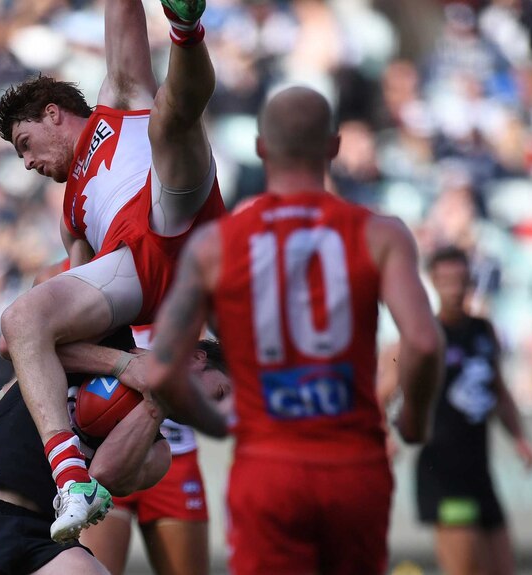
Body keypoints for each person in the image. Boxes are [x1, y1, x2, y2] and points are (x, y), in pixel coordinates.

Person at [145, 86, 444, 575]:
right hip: (355, 464)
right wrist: (415, 419)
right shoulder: (380, 233)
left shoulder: (217, 246)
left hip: (268, 465)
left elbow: (160, 370)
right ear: (333, 146)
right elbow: (424, 341)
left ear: (262, 147)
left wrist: (223, 424)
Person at [0, 0, 225, 541]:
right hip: (138, 270)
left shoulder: (114, 107)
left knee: (168, 117)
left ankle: (185, 26)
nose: (27, 164)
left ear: (53, 112)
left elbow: (121, 13)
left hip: (179, 214)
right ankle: (70, 477)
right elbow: (62, 335)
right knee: (23, 318)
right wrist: (1, 399)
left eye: (25, 145)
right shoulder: (73, 219)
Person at [0, 335, 229, 575]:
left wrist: (159, 400)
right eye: (222, 394)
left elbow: (103, 474)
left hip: (44, 534)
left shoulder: (158, 452)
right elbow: (21, 340)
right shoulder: (106, 340)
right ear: (196, 357)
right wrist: (3, 399)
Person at [379, 245, 532, 575]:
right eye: (445, 281)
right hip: (443, 472)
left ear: (470, 281)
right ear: (433, 284)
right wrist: (384, 436)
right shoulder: (420, 338)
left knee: (502, 568)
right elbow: (381, 393)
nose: (454, 289)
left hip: (479, 470)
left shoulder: (484, 331)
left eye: (459, 280)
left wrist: (520, 437)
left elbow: (498, 391)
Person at [80, 330, 231, 575]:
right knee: (98, 569)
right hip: (114, 449)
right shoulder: (118, 303)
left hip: (176, 458)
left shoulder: (195, 306)